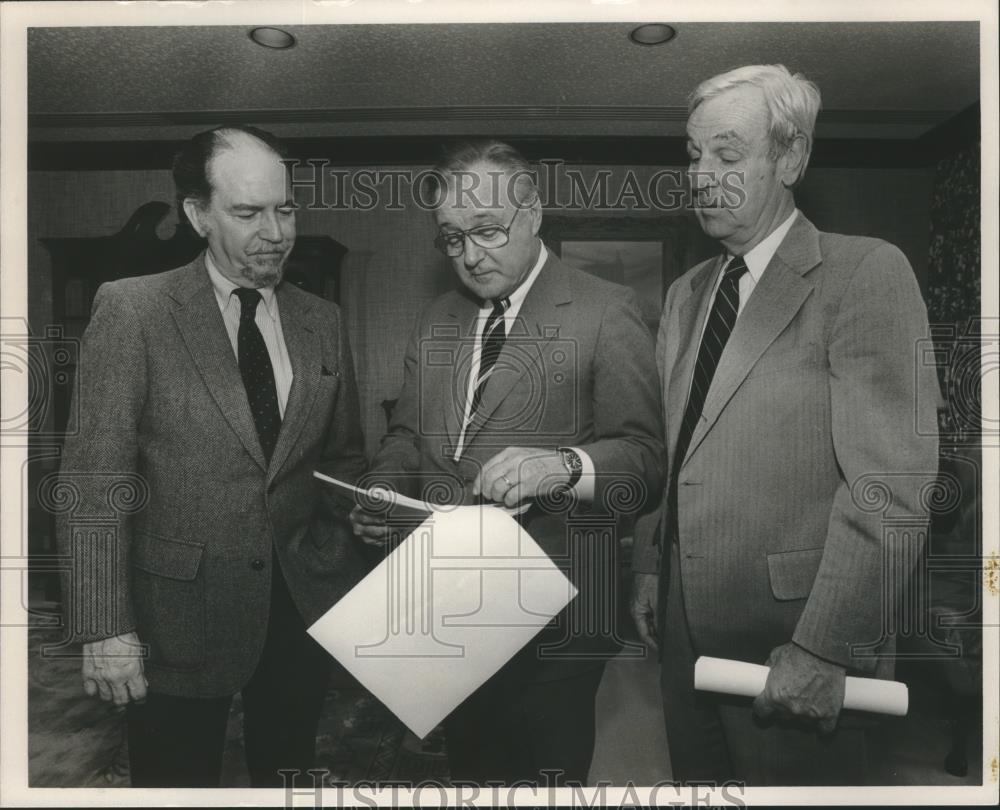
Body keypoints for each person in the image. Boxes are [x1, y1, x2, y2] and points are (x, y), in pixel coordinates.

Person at [630, 65, 940, 785]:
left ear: (791, 157)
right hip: (682, 634)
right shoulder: (684, 296)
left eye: (728, 155)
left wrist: (826, 648)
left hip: (794, 644)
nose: (702, 175)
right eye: (693, 154)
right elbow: (678, 450)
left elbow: (891, 485)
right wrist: (651, 568)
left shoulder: (864, 273)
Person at [56, 125, 367, 787]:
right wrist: (104, 627)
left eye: (285, 210)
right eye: (248, 213)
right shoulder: (134, 310)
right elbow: (93, 479)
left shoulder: (323, 321)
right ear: (199, 214)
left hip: (298, 612)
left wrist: (349, 541)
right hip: (174, 618)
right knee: (174, 785)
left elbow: (340, 459)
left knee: (286, 777)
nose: (276, 232)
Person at [350, 140, 663, 785]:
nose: (470, 256)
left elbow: (644, 459)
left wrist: (566, 466)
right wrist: (383, 488)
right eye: (452, 239)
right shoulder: (438, 317)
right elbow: (406, 433)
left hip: (560, 614)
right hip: (452, 602)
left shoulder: (607, 311)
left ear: (534, 214)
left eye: (487, 231)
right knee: (474, 770)